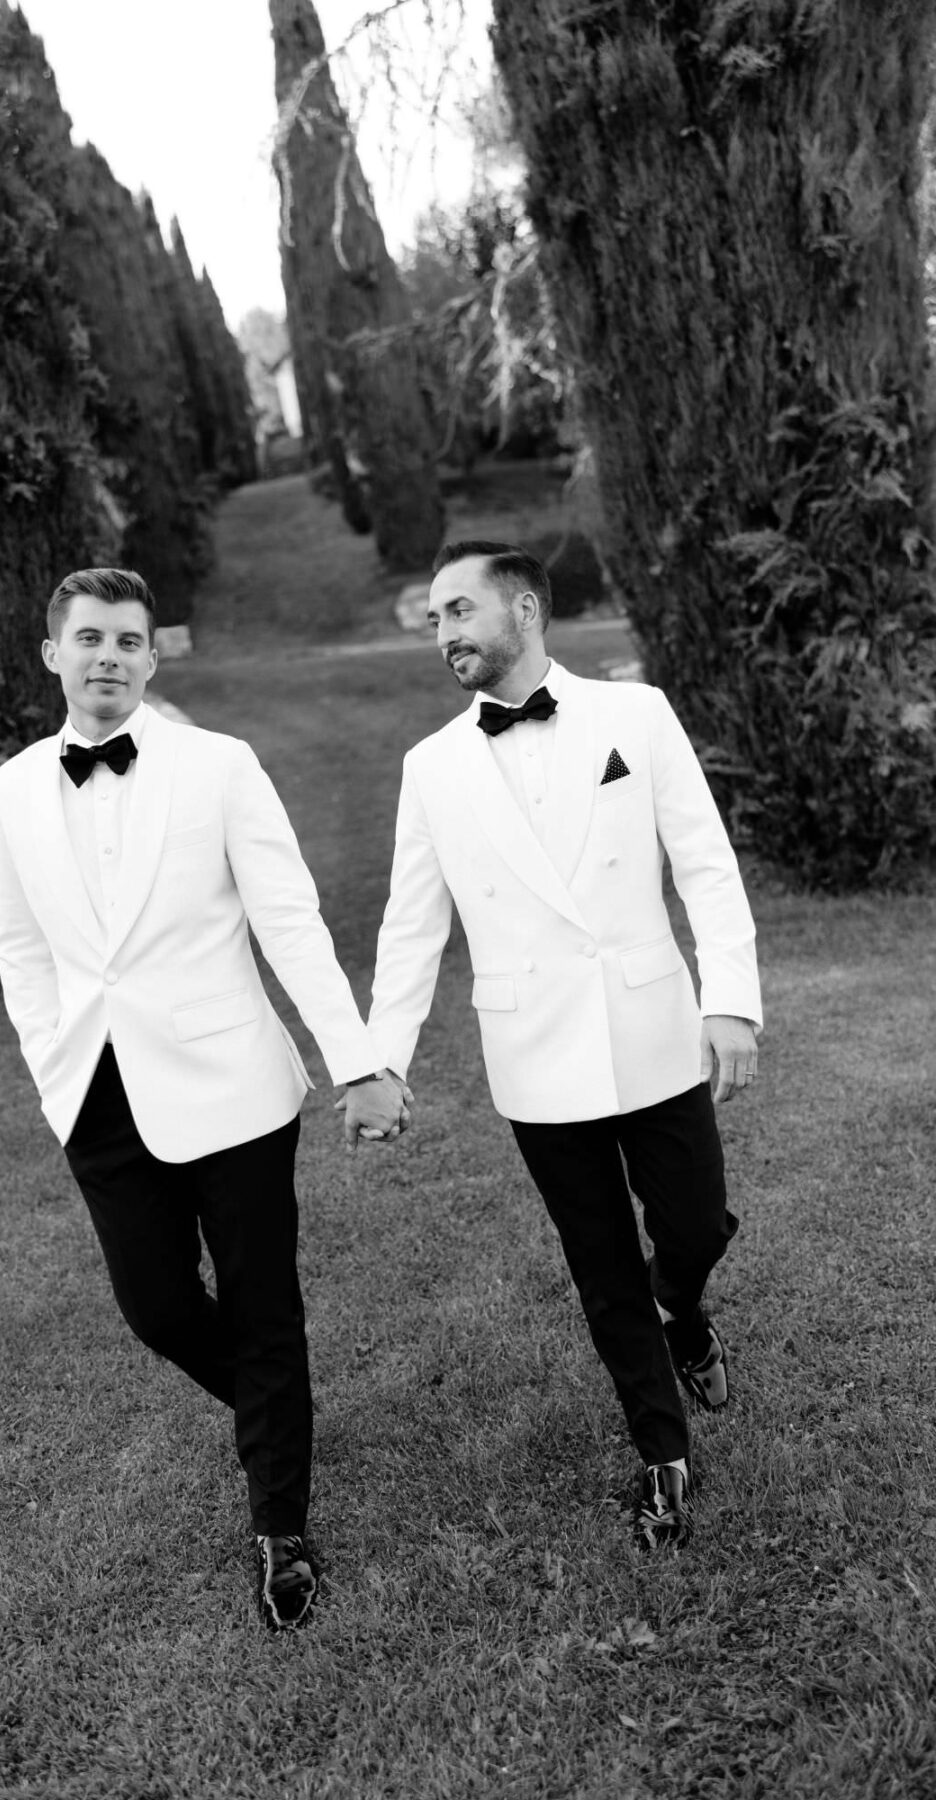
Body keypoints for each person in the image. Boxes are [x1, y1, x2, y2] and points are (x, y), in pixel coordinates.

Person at [0, 567, 408, 1628]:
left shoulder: (219, 765)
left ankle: (281, 1523)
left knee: (264, 1305)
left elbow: (290, 923)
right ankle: (281, 1404)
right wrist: (50, 1062)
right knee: (159, 1309)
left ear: (152, 657)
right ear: (53, 654)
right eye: (90, 638)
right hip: (96, 1093)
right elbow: (19, 946)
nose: (109, 657)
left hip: (233, 1088)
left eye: (129, 640)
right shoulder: (13, 786)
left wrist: (358, 1063)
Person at [346, 540, 762, 1549]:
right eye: (435, 620)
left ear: (524, 609)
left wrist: (731, 1001)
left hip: (652, 1027)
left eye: (459, 611)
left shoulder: (636, 714)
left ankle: (683, 1308)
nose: (444, 634)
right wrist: (380, 1059)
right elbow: (411, 927)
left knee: (694, 1224)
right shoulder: (432, 767)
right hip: (534, 1052)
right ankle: (662, 1456)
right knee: (600, 1265)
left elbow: (705, 864)